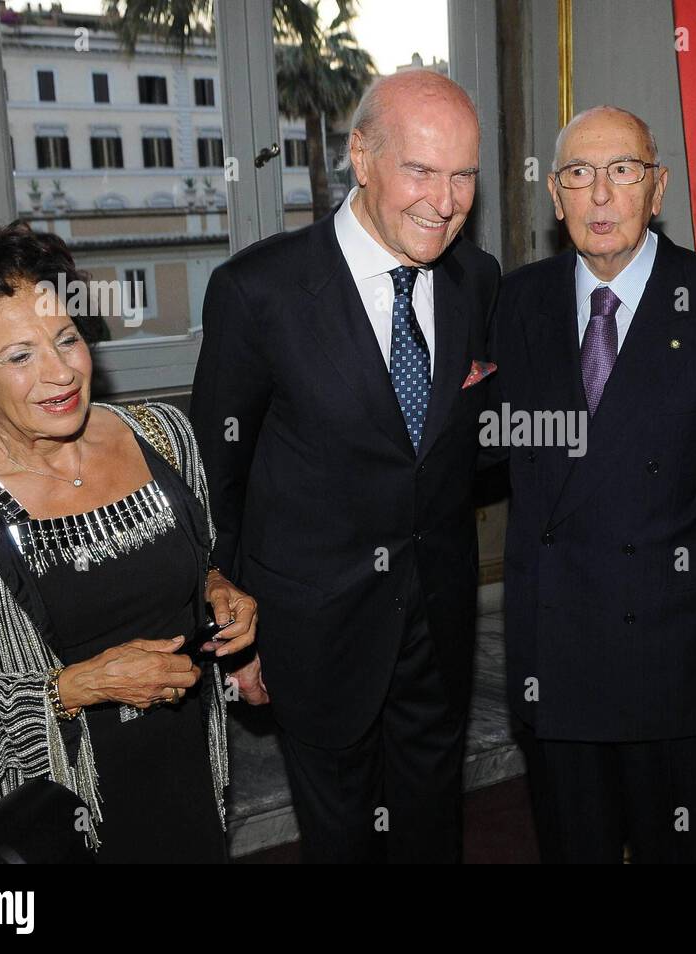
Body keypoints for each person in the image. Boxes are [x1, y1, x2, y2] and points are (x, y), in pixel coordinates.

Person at [190, 70, 500, 863]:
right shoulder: (257, 292)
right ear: (361, 156)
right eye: (421, 170)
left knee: (433, 827)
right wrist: (241, 637)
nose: (446, 199)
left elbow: (451, 446)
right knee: (343, 842)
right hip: (313, 630)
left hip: (439, 616)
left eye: (463, 173)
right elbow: (215, 482)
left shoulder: (476, 278)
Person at [0, 218, 263, 862]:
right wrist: (81, 685)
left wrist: (218, 587)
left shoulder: (163, 435)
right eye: (20, 356)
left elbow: (199, 561)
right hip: (64, 817)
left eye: (66, 337)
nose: (61, 372)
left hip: (190, 773)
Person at [492, 106, 696, 863]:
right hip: (556, 650)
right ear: (553, 197)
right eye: (578, 176)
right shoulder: (516, 302)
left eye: (621, 171)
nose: (599, 196)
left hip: (675, 655)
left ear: (657, 189)